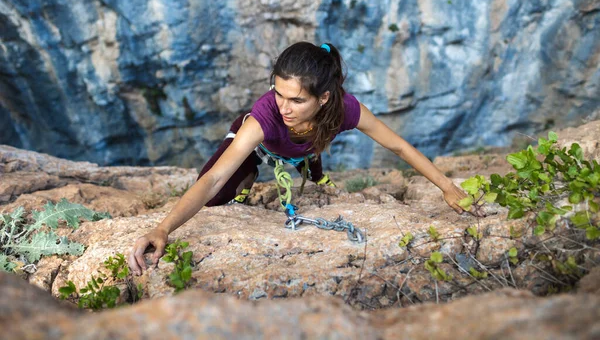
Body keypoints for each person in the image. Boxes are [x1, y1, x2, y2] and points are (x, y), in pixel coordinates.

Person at [128, 42, 482, 275]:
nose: (284, 107)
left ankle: (309, 169)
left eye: (296, 100)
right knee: (222, 195)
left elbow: (400, 147)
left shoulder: (347, 110)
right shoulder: (265, 116)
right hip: (255, 143)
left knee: (312, 152)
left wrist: (448, 188)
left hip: (303, 147)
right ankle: (251, 172)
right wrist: (162, 228)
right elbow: (213, 180)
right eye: (278, 93)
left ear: (325, 98)